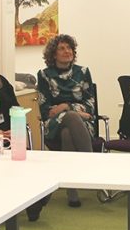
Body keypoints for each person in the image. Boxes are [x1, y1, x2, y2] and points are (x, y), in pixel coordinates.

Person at [37, 33, 96, 208]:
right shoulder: (44, 75)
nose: (66, 51)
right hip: (53, 124)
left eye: (69, 48)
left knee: (68, 132)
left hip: (83, 125)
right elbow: (45, 109)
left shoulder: (83, 72)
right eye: (61, 48)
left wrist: (64, 107)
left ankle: (72, 192)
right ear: (53, 54)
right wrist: (73, 111)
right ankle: (92, 165)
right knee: (70, 117)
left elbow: (90, 105)